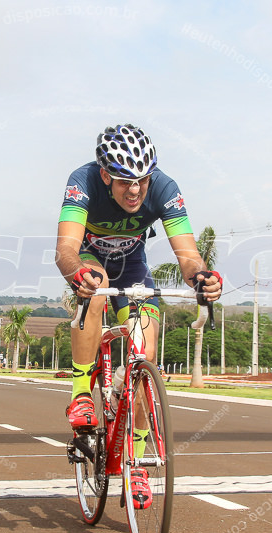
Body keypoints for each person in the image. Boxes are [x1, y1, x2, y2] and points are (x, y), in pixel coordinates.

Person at [55, 123, 222, 510]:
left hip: (132, 268)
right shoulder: (82, 182)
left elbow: (188, 254)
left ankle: (138, 462)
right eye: (123, 181)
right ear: (104, 175)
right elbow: (65, 248)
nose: (134, 190)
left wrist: (200, 276)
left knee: (143, 361)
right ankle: (81, 394)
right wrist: (77, 273)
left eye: (142, 181)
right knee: (95, 292)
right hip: (90, 259)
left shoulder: (165, 188)